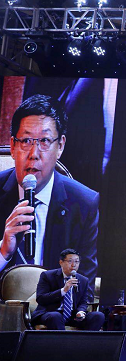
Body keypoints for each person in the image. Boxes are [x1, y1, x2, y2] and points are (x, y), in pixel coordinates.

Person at [0, 94, 99, 285]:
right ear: (12, 146)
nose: (34, 154)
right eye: (26, 141)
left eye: (44, 141)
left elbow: (84, 286)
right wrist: (3, 252)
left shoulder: (84, 204)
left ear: (60, 146)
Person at [31, 248, 104, 331]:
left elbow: (83, 302)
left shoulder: (83, 280)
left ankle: (84, 339)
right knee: (56, 316)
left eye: (77, 262)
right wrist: (63, 290)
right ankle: (63, 340)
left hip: (73, 316)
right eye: (70, 261)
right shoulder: (47, 276)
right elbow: (41, 299)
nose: (74, 265)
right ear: (61, 262)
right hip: (50, 313)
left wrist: (80, 312)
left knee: (98, 316)